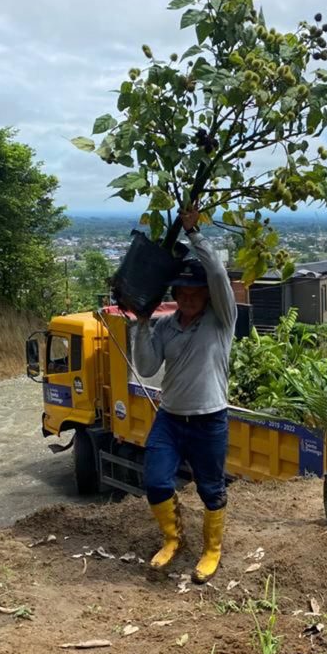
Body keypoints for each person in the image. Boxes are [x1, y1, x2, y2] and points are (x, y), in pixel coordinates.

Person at [132, 207, 237, 584]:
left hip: (209, 419)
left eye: (197, 292)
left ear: (207, 295)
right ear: (175, 294)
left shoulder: (221, 321)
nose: (190, 298)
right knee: (157, 481)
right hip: (171, 418)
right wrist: (141, 325)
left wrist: (195, 235)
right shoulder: (165, 326)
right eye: (184, 292)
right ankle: (173, 538)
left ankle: (211, 551)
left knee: (211, 489)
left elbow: (220, 276)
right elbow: (145, 368)